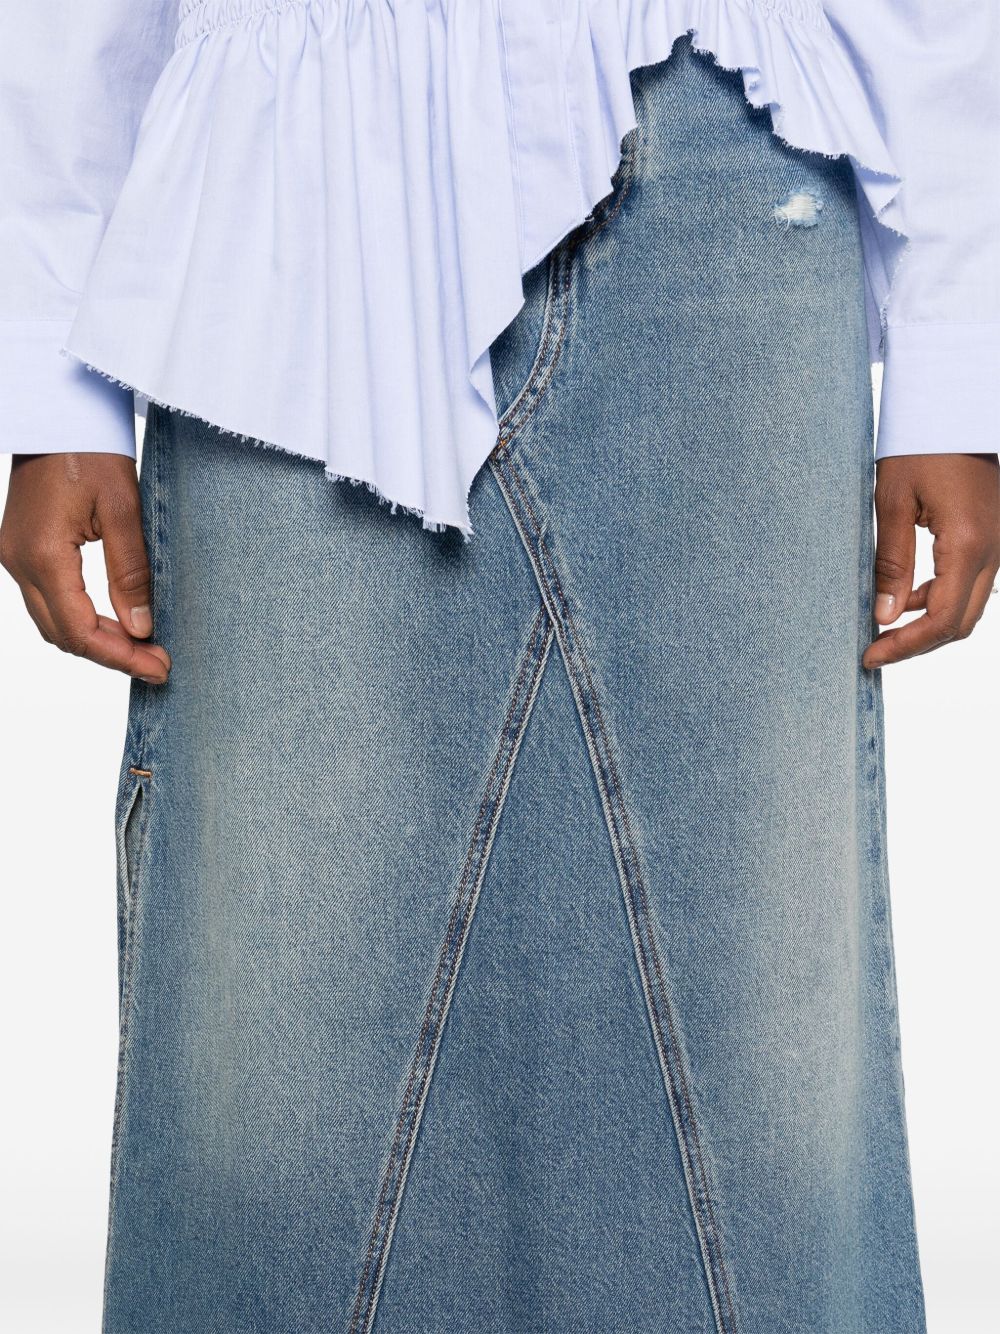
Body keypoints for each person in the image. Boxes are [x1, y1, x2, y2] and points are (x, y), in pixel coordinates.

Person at [1, 3, 997, 1332]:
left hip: (731, 158)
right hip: (300, 195)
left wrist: (955, 353)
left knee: (765, 1059)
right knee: (275, 1049)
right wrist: (50, 378)